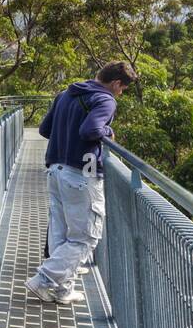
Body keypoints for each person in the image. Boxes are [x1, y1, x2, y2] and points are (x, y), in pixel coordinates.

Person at [26, 61, 138, 306]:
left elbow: (45, 129)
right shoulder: (105, 99)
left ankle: (61, 290)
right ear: (117, 83)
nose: (120, 93)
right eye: (122, 89)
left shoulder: (65, 94)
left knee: (61, 232)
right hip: (82, 173)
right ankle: (44, 280)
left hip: (56, 170)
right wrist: (108, 132)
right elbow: (91, 130)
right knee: (86, 237)